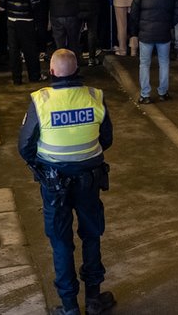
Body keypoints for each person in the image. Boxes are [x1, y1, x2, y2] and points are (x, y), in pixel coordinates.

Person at [17, 49, 115, 315]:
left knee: (61, 241)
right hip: (89, 179)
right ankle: (93, 299)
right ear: (77, 69)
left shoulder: (41, 101)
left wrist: (41, 167)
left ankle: (69, 307)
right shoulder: (95, 96)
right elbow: (106, 139)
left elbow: (24, 146)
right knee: (91, 234)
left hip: (54, 183)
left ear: (51, 71)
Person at [131, 0, 178, 103]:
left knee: (144, 63)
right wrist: (169, 24)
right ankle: (163, 92)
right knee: (164, 62)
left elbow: (134, 13)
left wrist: (136, 29)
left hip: (145, 33)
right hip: (164, 33)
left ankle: (145, 95)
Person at [3, 0, 43, 85]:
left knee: (14, 50)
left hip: (11, 18)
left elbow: (2, 0)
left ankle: (16, 78)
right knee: (30, 50)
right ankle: (34, 76)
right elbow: (35, 3)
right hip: (26, 19)